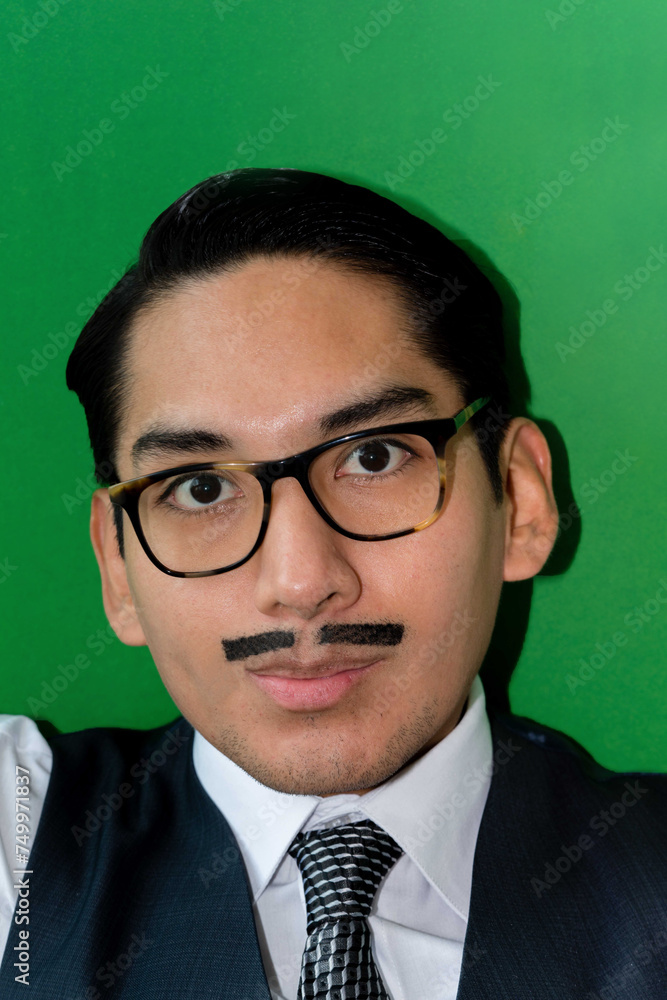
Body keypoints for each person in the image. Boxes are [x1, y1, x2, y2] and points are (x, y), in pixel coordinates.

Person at [1, 168, 665, 999]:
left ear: (520, 500)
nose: (299, 582)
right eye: (199, 489)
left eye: (373, 457)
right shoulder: (20, 835)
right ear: (118, 566)